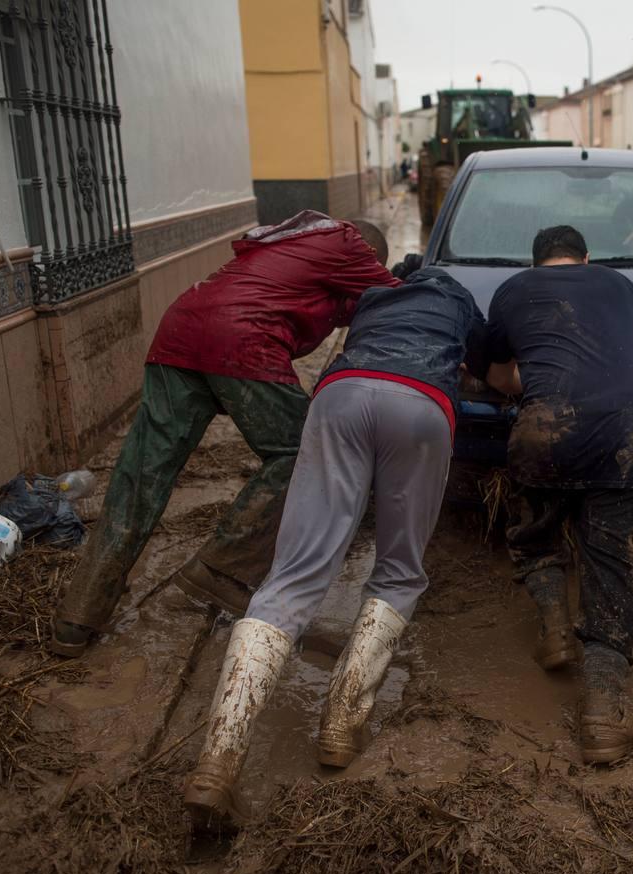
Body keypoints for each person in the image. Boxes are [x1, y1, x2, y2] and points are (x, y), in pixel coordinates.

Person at [183, 267, 488, 826]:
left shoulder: (374, 300)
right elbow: (486, 373)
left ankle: (218, 761)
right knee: (398, 571)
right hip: (421, 407)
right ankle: (341, 726)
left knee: (292, 577)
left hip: (341, 396)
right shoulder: (462, 301)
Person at [50, 212, 399, 658]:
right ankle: (221, 569)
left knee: (142, 475)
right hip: (241, 337)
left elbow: (351, 306)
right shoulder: (349, 242)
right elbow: (397, 297)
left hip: (180, 330)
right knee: (305, 451)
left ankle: (78, 615)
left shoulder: (292, 248)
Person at [482, 225, 633, 766]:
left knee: (535, 533)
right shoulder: (616, 281)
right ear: (586, 258)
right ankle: (602, 718)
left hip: (545, 430)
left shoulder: (512, 289)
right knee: (612, 568)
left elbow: (497, 376)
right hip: (626, 435)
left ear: (536, 261)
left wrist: (542, 376)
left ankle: (556, 630)